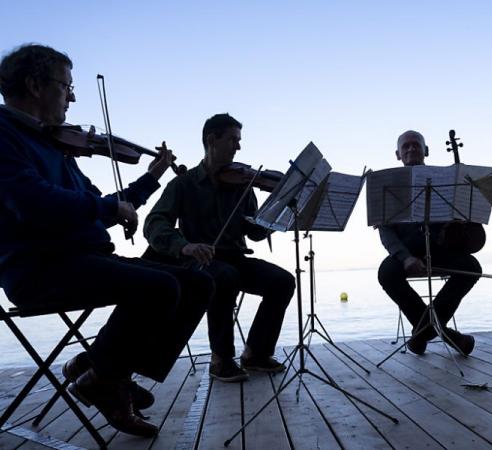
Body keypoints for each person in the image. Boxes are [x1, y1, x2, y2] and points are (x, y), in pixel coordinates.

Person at [0, 44, 214, 437]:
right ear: (34, 85)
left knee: (199, 282)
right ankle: (105, 378)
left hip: (84, 258)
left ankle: (103, 369)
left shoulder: (54, 146)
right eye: (66, 87)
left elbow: (105, 204)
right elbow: (33, 203)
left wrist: (153, 177)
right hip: (38, 267)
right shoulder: (5, 136)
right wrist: (106, 210)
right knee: (160, 287)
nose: (72, 96)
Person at [143, 113, 295, 381]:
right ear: (211, 140)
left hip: (235, 256)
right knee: (225, 277)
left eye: (239, 141)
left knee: (282, 281)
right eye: (233, 140)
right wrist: (184, 246)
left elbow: (255, 232)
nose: (238, 147)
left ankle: (256, 353)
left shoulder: (242, 185)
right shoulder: (183, 184)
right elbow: (154, 224)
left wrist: (278, 211)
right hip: (198, 259)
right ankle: (220, 358)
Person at [377, 130, 483, 356]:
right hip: (408, 251)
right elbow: (385, 232)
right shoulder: (387, 185)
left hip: (441, 248)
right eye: (405, 147)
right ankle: (443, 333)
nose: (411, 149)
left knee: (472, 267)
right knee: (387, 272)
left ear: (426, 151)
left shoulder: (447, 181)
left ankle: (422, 331)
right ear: (398, 154)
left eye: (416, 145)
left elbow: (466, 214)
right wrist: (405, 258)